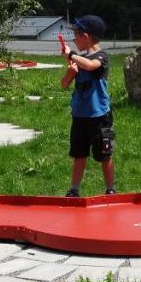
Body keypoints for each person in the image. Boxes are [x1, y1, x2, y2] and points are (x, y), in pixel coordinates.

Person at [59, 14, 116, 196]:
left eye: (76, 35)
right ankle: (74, 188)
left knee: (104, 154)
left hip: (100, 116)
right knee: (79, 154)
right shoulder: (78, 59)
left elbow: (91, 65)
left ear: (86, 36)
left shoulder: (102, 56)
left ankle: (110, 189)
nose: (74, 40)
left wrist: (71, 54)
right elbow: (64, 84)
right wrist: (70, 71)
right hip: (80, 115)